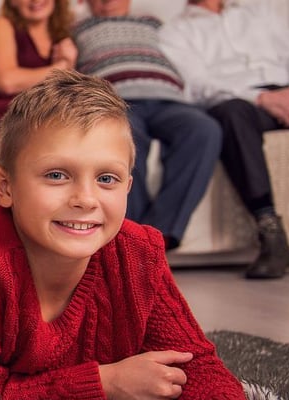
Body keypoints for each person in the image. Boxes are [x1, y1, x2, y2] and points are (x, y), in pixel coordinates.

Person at [0, 69, 289, 400]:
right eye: (56, 175)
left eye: (106, 178)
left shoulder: (139, 253)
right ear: (5, 186)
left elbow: (191, 356)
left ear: (128, 187)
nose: (85, 198)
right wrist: (104, 384)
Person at [159, 0, 289, 278]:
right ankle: (271, 233)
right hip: (242, 103)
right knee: (230, 113)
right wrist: (263, 98)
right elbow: (197, 85)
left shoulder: (259, 13)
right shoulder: (175, 31)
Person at [72, 0, 221, 250]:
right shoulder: (76, 29)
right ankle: (131, 234)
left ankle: (158, 235)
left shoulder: (155, 24)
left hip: (169, 99)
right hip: (117, 99)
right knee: (125, 137)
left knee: (204, 129)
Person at [0, 0, 77, 165]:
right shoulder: (0, 26)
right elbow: (7, 82)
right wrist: (62, 68)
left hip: (34, 116)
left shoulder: (62, 36)